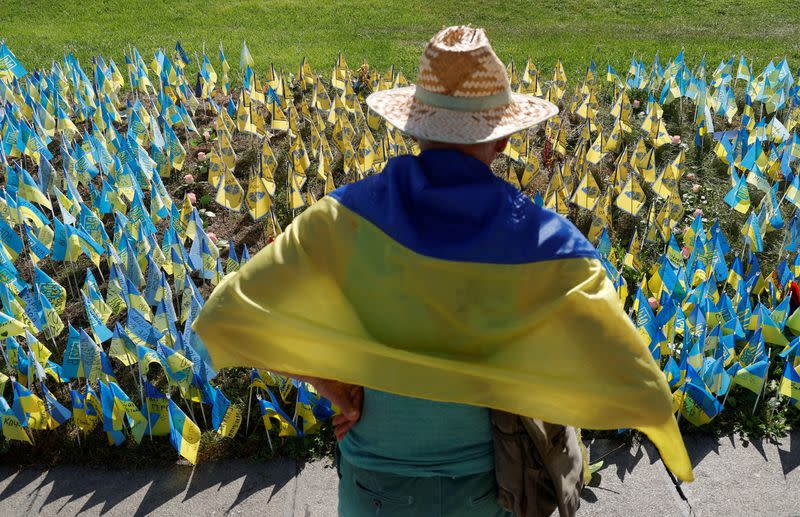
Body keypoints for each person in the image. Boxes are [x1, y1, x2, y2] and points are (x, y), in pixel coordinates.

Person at [194, 26, 691, 517]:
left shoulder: (343, 218)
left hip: (375, 484)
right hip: (486, 485)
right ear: (502, 142)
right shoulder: (545, 243)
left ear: (413, 129)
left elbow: (228, 315)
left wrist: (329, 384)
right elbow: (626, 364)